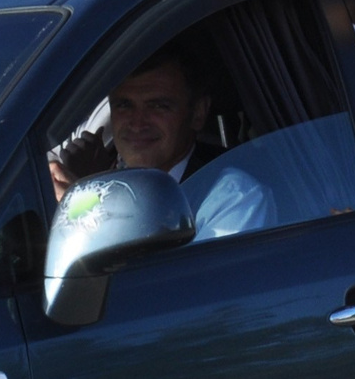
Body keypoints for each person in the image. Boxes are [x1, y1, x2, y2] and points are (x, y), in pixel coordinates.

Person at [48, 45, 275, 240]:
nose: (137, 123)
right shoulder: (100, 179)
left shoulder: (233, 196)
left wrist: (81, 214)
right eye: (124, 105)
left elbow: (194, 288)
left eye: (158, 106)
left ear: (197, 113)